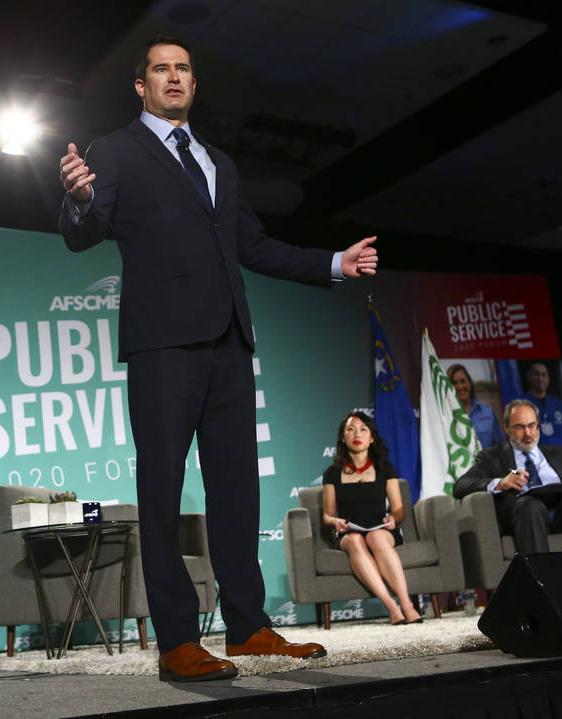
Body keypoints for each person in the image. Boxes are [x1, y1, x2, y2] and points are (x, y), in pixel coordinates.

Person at [58, 35, 378, 682]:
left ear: (194, 85)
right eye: (160, 69)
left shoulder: (218, 162)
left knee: (236, 490)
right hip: (163, 344)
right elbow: (83, 232)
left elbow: (252, 244)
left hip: (231, 341)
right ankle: (176, 637)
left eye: (183, 70)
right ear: (141, 86)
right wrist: (80, 199)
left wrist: (334, 264)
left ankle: (248, 624)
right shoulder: (113, 151)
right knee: (163, 488)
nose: (173, 78)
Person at [452, 399, 562, 554]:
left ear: (538, 425)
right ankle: (540, 579)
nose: (527, 433)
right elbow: (461, 486)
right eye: (519, 427)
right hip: (525, 516)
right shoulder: (492, 457)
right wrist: (501, 483)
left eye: (531, 425)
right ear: (506, 429)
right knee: (530, 506)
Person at [323, 412, 422, 624]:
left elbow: (399, 510)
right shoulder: (332, 473)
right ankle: (392, 607)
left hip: (380, 528)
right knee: (356, 540)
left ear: (372, 437)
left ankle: (407, 605)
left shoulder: (385, 468)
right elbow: (327, 515)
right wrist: (335, 522)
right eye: (350, 429)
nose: (356, 434)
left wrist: (393, 518)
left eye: (362, 429)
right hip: (350, 531)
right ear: (343, 437)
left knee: (375, 538)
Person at [520, 362, 562, 454]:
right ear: (529, 376)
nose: (540, 378)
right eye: (536, 374)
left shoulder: (560, 405)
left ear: (548, 379)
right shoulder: (520, 405)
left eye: (544, 375)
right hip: (538, 460)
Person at [446, 363, 504, 449]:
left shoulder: (487, 411)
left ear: (469, 383)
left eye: (463, 381)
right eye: (455, 383)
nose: (460, 386)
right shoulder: (445, 416)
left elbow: (501, 447)